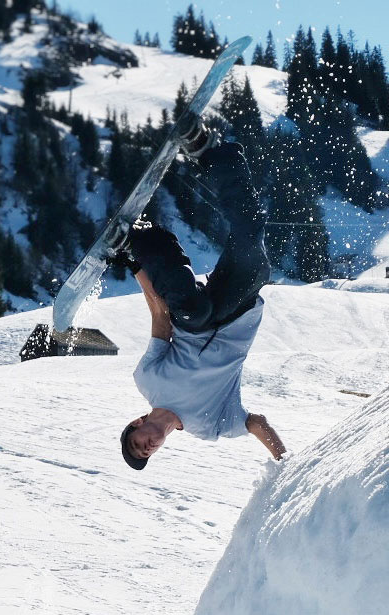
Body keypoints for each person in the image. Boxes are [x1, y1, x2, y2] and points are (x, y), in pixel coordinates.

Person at [112, 123, 286, 469]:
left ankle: (144, 239)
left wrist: (135, 263)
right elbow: (256, 423)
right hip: (239, 312)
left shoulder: (147, 380)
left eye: (138, 444)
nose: (146, 447)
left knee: (192, 314)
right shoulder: (208, 426)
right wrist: (286, 463)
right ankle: (213, 152)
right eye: (147, 452)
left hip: (195, 318)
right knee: (251, 241)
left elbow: (160, 317)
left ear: (136, 423)